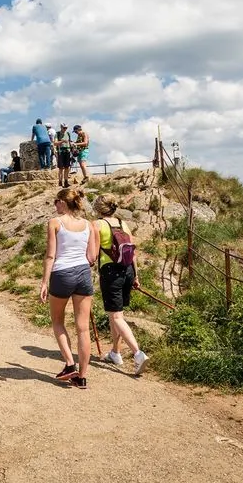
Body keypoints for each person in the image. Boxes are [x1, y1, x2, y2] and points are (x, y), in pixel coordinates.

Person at [40, 187, 99, 389]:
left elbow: (50, 255)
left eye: (56, 201)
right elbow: (92, 257)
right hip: (83, 273)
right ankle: (81, 377)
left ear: (63, 202)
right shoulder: (88, 225)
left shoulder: (55, 222)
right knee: (83, 329)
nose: (55, 204)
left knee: (57, 321)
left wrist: (44, 282)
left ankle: (69, 363)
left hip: (62, 273)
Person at [92, 193, 150, 375]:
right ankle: (115, 352)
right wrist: (136, 276)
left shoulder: (97, 225)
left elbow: (93, 255)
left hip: (110, 273)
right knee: (115, 314)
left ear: (98, 208)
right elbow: (133, 252)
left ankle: (138, 353)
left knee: (117, 317)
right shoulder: (123, 224)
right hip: (127, 271)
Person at [54, 123, 73, 187]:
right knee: (61, 168)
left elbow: (70, 142)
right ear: (61, 127)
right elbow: (55, 143)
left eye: (66, 128)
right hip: (60, 152)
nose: (65, 129)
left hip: (67, 151)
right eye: (64, 128)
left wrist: (72, 149)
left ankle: (66, 181)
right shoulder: (57, 134)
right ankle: (60, 182)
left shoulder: (68, 134)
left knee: (67, 167)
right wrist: (62, 141)